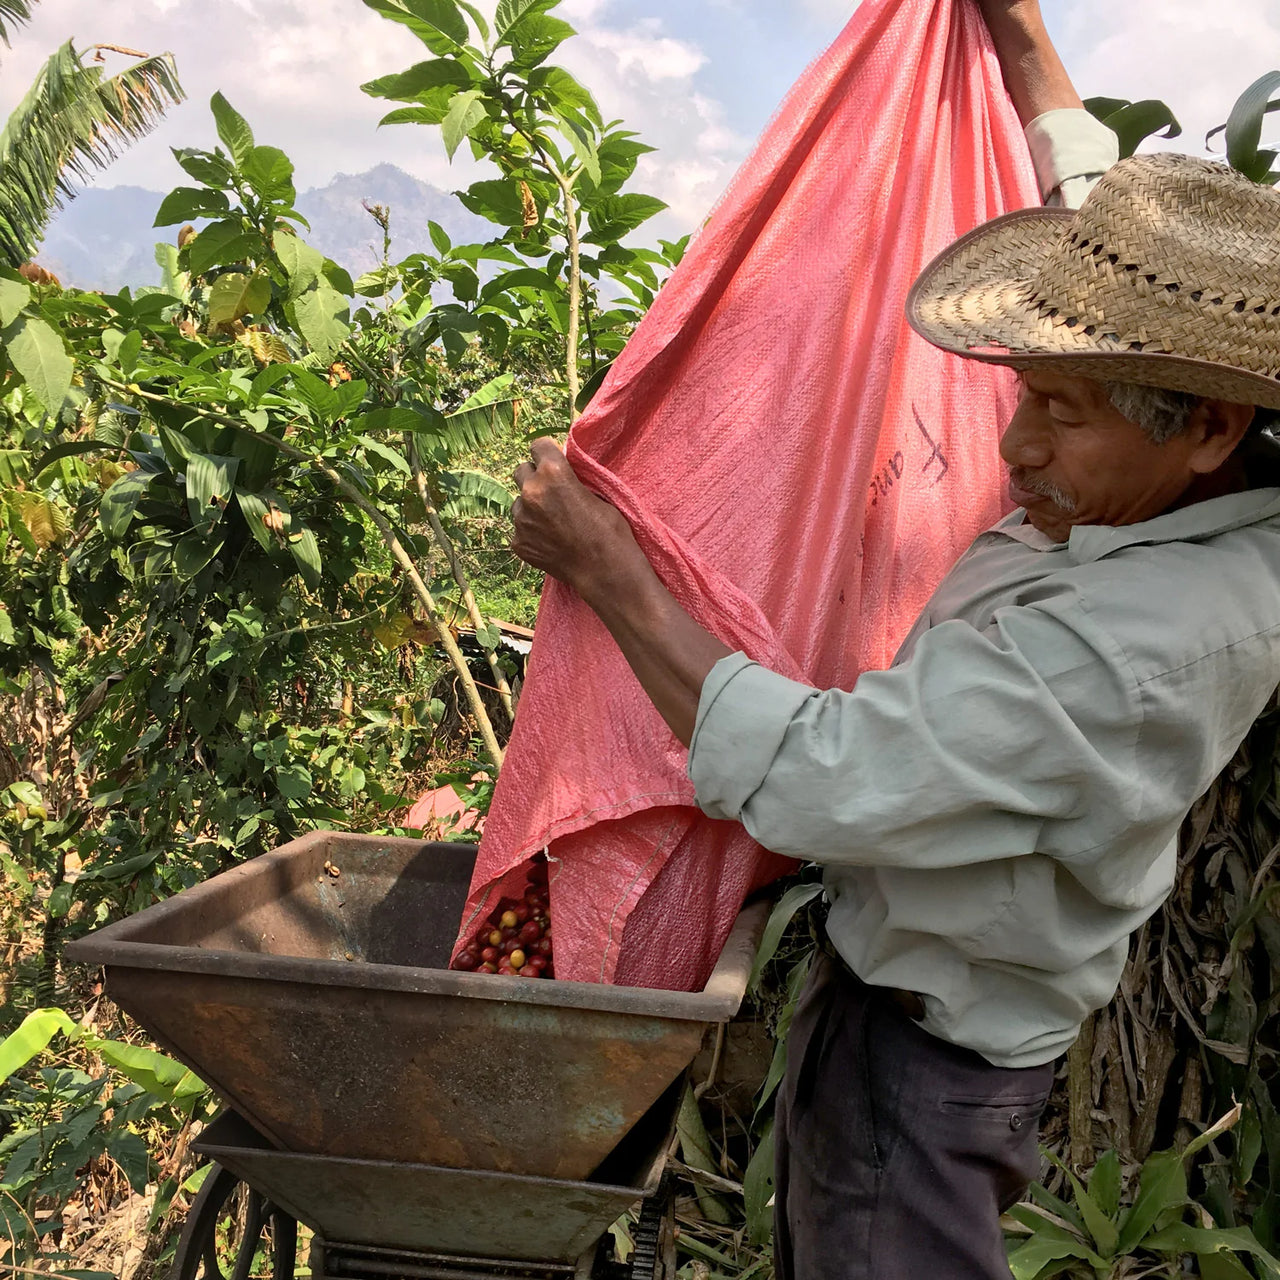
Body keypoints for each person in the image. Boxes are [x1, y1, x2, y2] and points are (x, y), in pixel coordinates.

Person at [509, 2, 1280, 1276]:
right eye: (1018, 390)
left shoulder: (1144, 641)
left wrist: (611, 569)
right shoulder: (1183, 443)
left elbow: (821, 776)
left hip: (929, 1070)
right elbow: (1088, 203)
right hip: (912, 1017)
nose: (1014, 443)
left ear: (1202, 424)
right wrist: (1020, 34)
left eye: (1059, 411)